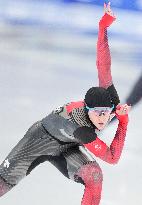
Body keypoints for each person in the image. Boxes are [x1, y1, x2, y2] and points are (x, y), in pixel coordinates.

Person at [0, 2, 130, 205]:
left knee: (94, 176)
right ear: (87, 111)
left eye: (107, 113)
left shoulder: (109, 100)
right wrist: (123, 122)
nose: (103, 118)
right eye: (98, 113)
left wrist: (103, 27)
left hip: (68, 145)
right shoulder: (81, 129)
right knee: (2, 185)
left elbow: (103, 64)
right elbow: (112, 157)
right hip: (40, 139)